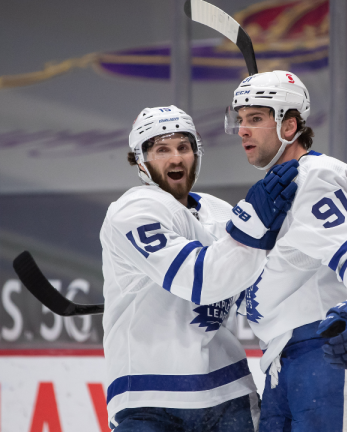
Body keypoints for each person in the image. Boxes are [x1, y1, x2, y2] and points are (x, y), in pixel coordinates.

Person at [100, 105, 299, 431]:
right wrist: (256, 224)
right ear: (140, 160)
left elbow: (261, 293)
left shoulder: (223, 213)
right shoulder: (132, 211)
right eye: (162, 149)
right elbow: (202, 278)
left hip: (228, 392)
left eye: (184, 147)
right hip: (148, 400)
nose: (176, 158)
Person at [226, 71, 347, 432]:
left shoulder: (315, 176)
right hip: (282, 360)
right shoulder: (272, 192)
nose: (243, 129)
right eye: (240, 120)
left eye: (256, 119)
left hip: (327, 356)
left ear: (289, 126)